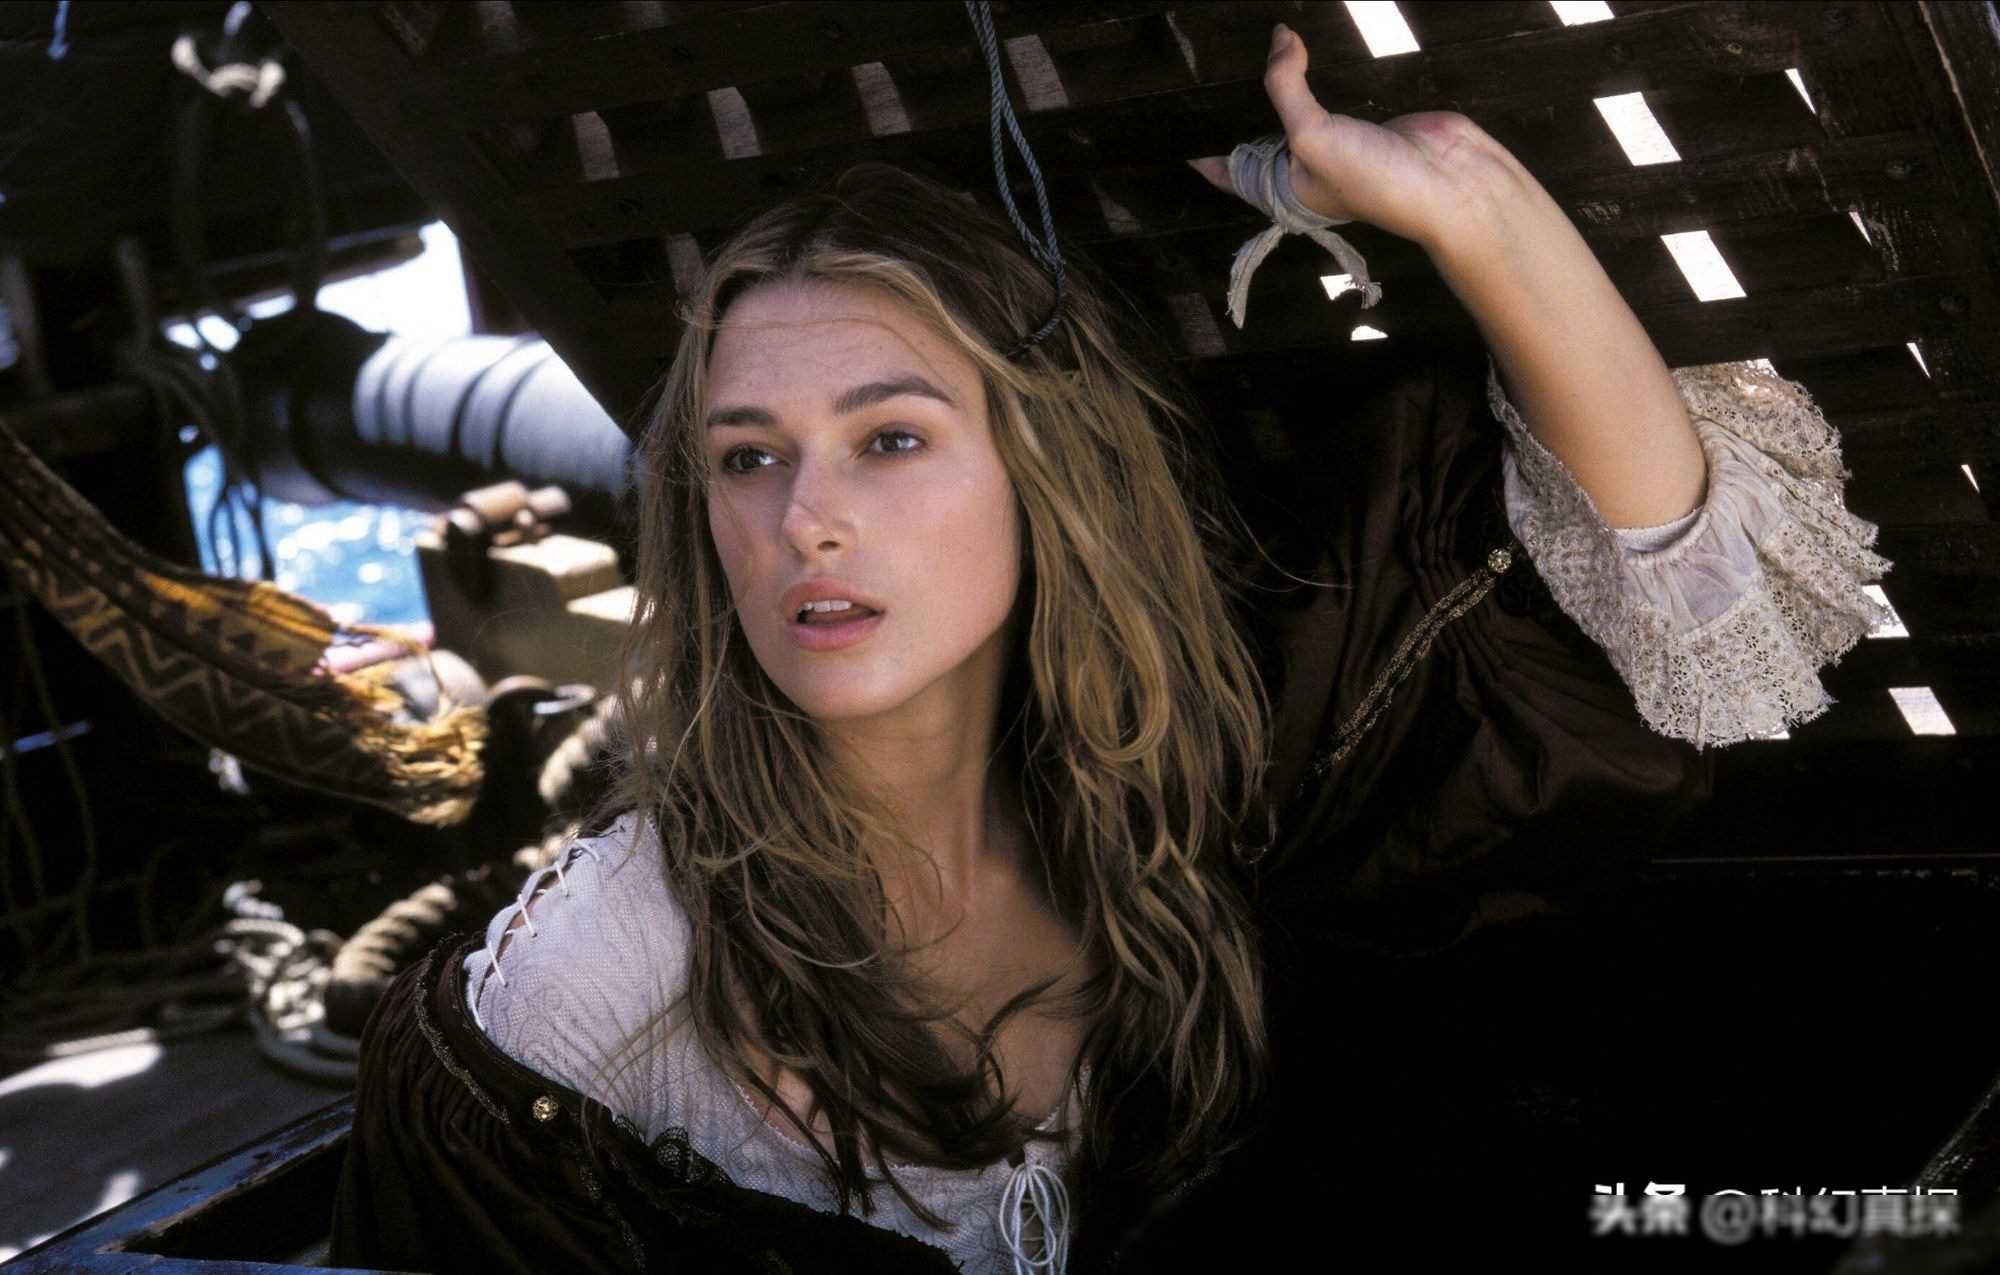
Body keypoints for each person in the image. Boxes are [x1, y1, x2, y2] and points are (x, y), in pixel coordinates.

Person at [332, 24, 1890, 1274]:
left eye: (890, 440)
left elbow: (1668, 593)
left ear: (1044, 476)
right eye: (749, 457)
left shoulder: (1173, 813)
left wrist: (1469, 201)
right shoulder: (604, 977)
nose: (805, 519)